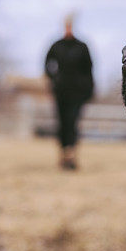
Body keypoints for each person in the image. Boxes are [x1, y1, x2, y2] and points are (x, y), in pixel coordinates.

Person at [44, 15, 94, 170]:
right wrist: (54, 78)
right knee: (62, 123)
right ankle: (63, 154)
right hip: (61, 91)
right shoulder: (56, 45)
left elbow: (89, 69)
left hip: (77, 92)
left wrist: (89, 89)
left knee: (73, 122)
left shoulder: (82, 47)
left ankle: (71, 154)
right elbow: (47, 64)